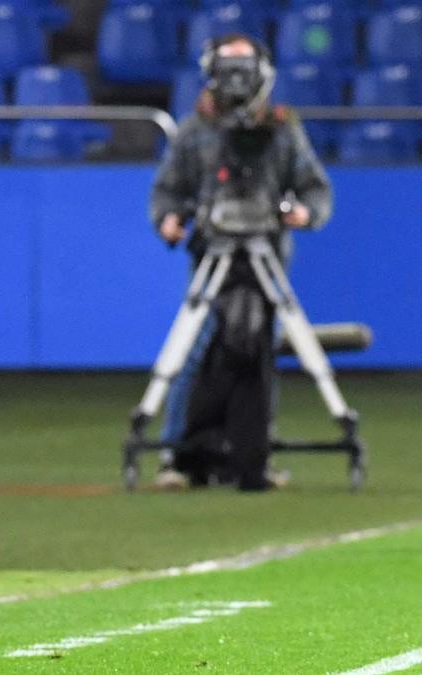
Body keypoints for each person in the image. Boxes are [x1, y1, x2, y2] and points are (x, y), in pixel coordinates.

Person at [148, 33, 332, 492]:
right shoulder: (194, 131)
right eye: (227, 66)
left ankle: (252, 455)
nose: (235, 78)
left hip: (266, 254)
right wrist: (168, 219)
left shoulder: (282, 128)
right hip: (212, 253)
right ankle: (179, 452)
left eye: (243, 66)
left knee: (260, 354)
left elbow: (314, 187)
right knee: (197, 347)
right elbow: (169, 189)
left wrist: (305, 214)